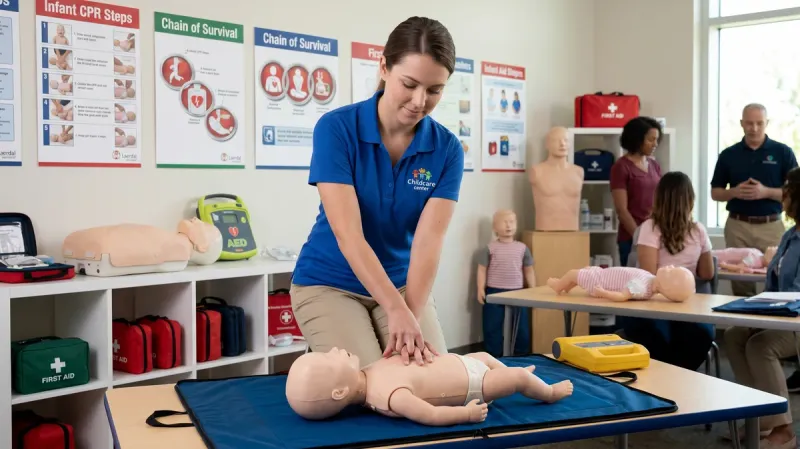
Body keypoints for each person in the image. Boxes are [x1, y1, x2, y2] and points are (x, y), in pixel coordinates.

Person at [289, 17, 463, 369]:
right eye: (409, 84)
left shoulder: (447, 149)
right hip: (330, 283)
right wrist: (395, 311)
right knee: (372, 386)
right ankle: (328, 351)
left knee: (431, 380)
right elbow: (348, 233)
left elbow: (428, 242)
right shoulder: (337, 129)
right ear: (384, 67)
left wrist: (408, 316)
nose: (419, 101)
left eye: (434, 90)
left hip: (402, 286)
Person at [723, 167, 800, 449]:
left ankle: (784, 428)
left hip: (794, 320)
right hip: (779, 314)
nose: (782, 198)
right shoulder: (790, 235)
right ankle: (761, 417)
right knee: (733, 335)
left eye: (787, 193)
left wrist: (767, 309)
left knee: (760, 346)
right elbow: (775, 278)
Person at [619, 171, 715, 371]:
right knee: (695, 335)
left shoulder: (649, 228)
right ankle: (677, 378)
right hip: (681, 307)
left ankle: (669, 379)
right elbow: (707, 273)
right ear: (690, 200)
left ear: (659, 198)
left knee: (661, 336)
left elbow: (647, 274)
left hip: (660, 307)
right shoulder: (698, 230)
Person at [710, 103, 797, 298]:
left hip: (771, 226)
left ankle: (771, 327)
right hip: (737, 226)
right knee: (740, 283)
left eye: (759, 123)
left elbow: (796, 192)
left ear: (767, 123)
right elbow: (715, 193)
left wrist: (765, 192)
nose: (754, 128)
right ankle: (744, 328)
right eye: (749, 123)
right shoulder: (728, 155)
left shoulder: (783, 152)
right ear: (741, 124)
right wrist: (734, 192)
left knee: (777, 278)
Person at [610, 116, 664, 266]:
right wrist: (639, 236)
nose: (655, 144)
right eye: (650, 140)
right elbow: (622, 210)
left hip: (655, 235)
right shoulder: (621, 167)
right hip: (631, 238)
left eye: (656, 139)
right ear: (637, 139)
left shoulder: (654, 165)